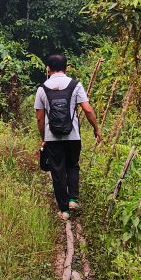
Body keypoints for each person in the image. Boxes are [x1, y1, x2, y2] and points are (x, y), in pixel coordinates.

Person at [35, 53, 101, 221]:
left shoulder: (42, 88)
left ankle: (64, 211)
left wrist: (44, 137)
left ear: (48, 69)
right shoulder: (75, 85)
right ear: (66, 67)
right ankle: (73, 200)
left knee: (57, 172)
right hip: (73, 136)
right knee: (72, 165)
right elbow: (87, 109)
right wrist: (96, 129)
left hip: (52, 138)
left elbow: (40, 117)